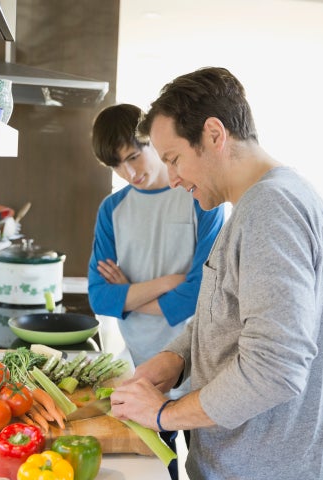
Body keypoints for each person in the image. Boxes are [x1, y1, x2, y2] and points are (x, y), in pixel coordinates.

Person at [110, 68, 323, 480]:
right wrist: (176, 358)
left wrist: (165, 414)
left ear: (215, 135)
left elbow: (275, 367)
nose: (172, 176)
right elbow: (228, 314)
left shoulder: (270, 211)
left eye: (174, 158)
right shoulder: (255, 205)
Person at [87, 103, 225, 480]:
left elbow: (198, 294)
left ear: (154, 142)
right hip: (138, 368)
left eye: (134, 156)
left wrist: (128, 297)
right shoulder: (112, 210)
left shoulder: (202, 199)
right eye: (116, 166)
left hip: (199, 368)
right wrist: (167, 283)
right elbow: (99, 298)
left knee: (202, 471)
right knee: (153, 471)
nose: (129, 173)